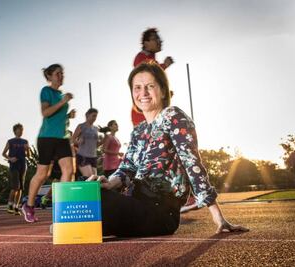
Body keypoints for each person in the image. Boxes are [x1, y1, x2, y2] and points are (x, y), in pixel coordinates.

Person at [87, 62, 248, 237]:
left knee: (98, 204)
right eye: (137, 88)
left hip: (161, 212)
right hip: (135, 202)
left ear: (163, 91)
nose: (143, 93)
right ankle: (77, 226)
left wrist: (218, 216)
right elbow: (127, 168)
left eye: (150, 86)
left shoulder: (173, 116)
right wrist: (108, 183)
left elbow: (191, 162)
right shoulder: (138, 131)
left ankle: (78, 224)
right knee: (89, 192)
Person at [22, 64, 75, 223]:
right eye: (57, 73)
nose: (61, 76)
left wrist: (68, 116)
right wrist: (63, 103)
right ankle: (29, 206)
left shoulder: (61, 95)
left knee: (69, 170)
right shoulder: (46, 91)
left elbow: (57, 118)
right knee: (42, 174)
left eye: (62, 73)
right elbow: (45, 113)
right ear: (50, 76)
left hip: (62, 138)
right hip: (47, 138)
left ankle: (63, 207)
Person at [132, 28, 174, 127]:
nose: (159, 41)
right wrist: (164, 66)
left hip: (152, 110)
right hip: (144, 112)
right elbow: (147, 76)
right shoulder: (141, 58)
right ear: (146, 43)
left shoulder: (152, 58)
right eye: (155, 39)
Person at [2, 123, 30, 216]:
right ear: (15, 131)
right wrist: (10, 158)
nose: (21, 131)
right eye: (19, 129)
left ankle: (16, 206)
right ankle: (9, 205)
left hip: (22, 165)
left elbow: (29, 156)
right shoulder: (10, 141)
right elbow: (4, 153)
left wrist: (28, 149)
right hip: (14, 165)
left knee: (21, 188)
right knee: (15, 187)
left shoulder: (25, 141)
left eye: (22, 129)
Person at [72, 108, 101, 177]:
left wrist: (103, 140)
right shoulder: (81, 126)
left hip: (93, 157)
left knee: (94, 179)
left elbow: (97, 145)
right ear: (87, 115)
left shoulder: (96, 129)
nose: (95, 118)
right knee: (90, 177)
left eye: (96, 116)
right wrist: (78, 142)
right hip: (83, 156)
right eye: (93, 116)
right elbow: (72, 140)